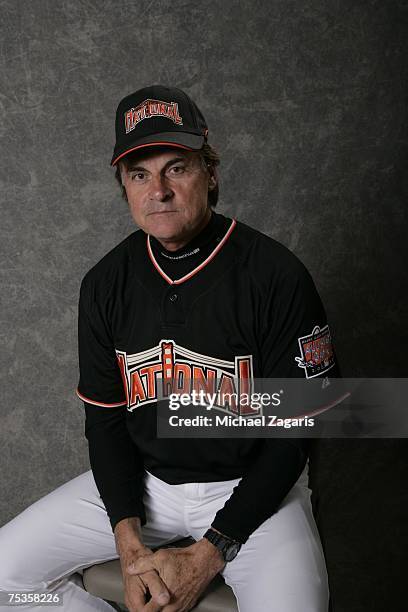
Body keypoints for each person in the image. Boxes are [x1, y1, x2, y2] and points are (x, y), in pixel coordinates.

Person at [0, 85, 341, 612]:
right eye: (139, 174)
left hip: (255, 496)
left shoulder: (276, 275)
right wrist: (128, 541)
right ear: (124, 186)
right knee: (7, 576)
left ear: (211, 173)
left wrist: (210, 553)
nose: (157, 190)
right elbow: (107, 421)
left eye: (175, 168)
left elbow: (295, 437)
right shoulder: (105, 282)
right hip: (148, 488)